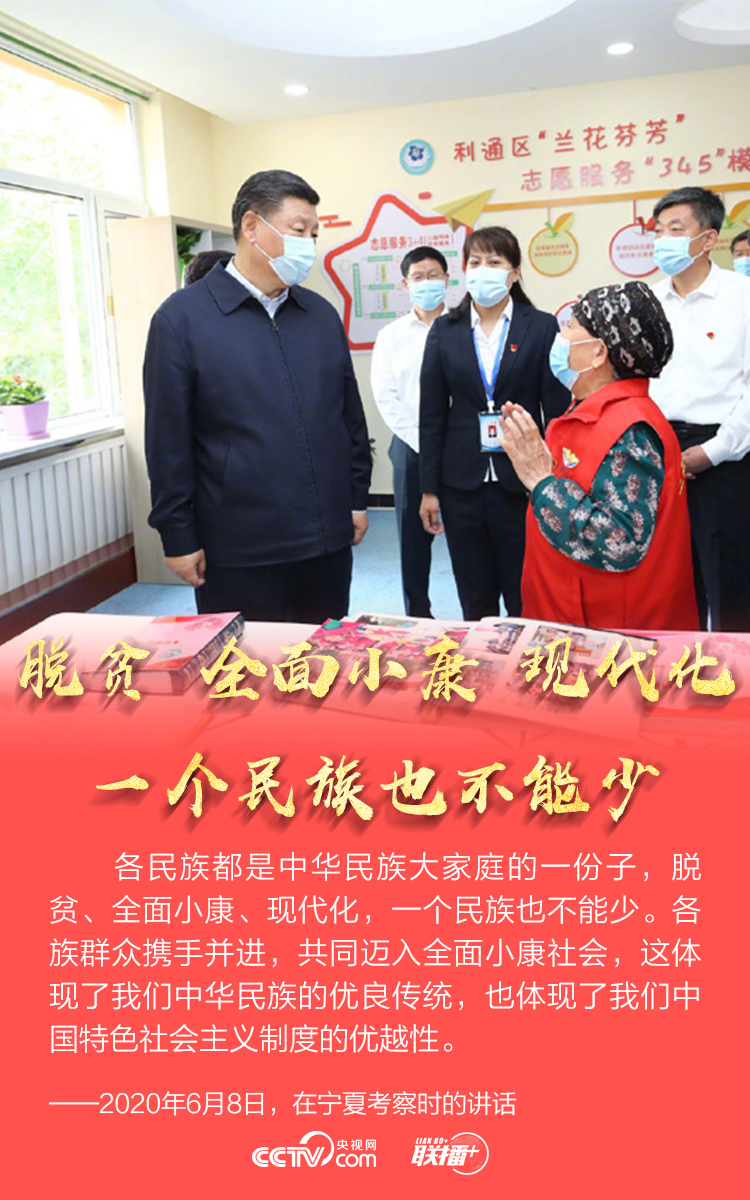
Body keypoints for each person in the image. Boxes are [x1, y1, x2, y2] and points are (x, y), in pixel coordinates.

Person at [144, 169, 371, 623]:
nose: (309, 244)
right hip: (240, 546)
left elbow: (348, 417)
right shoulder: (182, 320)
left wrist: (355, 498)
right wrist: (178, 535)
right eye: (298, 230)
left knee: (322, 654)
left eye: (314, 233)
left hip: (325, 540)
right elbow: (168, 441)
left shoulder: (319, 315)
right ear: (252, 227)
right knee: (248, 662)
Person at [501, 282, 698, 631]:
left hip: (611, 636)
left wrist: (542, 481)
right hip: (570, 616)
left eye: (572, 326)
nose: (561, 336)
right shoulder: (590, 410)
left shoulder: (630, 430)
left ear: (598, 353)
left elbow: (620, 542)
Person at [418, 226, 569, 620]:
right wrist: (429, 489)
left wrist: (556, 480)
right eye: (475, 262)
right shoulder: (445, 330)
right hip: (461, 482)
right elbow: (431, 415)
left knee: (525, 591)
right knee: (474, 595)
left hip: (522, 481)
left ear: (514, 272)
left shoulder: (540, 327)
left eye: (494, 262)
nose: (483, 269)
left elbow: (556, 412)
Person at [649, 186, 750, 631]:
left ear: (708, 238)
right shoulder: (647, 301)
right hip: (657, 454)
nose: (662, 240)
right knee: (669, 586)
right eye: (658, 231)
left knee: (731, 588)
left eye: (676, 229)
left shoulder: (742, 296)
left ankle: (734, 671)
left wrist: (713, 451)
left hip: (726, 457)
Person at [370, 246, 450, 617]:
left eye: (434, 275)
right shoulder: (390, 336)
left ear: (447, 279)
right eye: (418, 277)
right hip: (409, 445)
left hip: (460, 444)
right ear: (405, 284)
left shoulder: (463, 327)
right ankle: (418, 614)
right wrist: (424, 442)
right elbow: (385, 397)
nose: (426, 282)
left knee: (470, 536)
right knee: (412, 540)